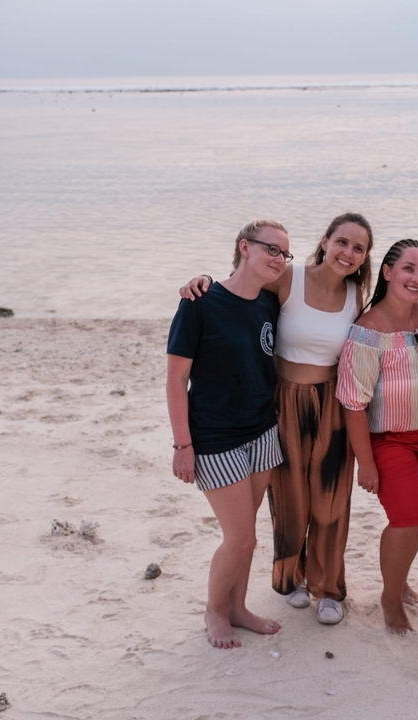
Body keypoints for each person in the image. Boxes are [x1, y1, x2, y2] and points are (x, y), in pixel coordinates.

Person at [179, 214, 374, 626]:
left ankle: (329, 588)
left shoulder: (359, 294)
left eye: (359, 248)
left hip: (332, 402)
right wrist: (201, 280)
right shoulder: (289, 277)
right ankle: (292, 580)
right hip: (281, 400)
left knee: (332, 497)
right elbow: (236, 288)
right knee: (288, 499)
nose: (348, 253)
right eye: (342, 242)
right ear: (325, 241)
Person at [165, 219, 292, 649]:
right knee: (240, 537)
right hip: (216, 437)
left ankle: (237, 608)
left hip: (262, 431)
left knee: (248, 533)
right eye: (271, 249)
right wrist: (183, 445)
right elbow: (175, 380)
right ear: (244, 247)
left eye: (284, 254)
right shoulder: (200, 302)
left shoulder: (268, 305)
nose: (279, 259)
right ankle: (215, 611)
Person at [336, 239, 418, 635]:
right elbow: (353, 404)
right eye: (408, 268)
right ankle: (389, 597)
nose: (417, 278)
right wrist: (365, 462)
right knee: (408, 517)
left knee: (415, 520)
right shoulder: (366, 334)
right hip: (390, 440)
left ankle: (400, 582)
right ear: (387, 272)